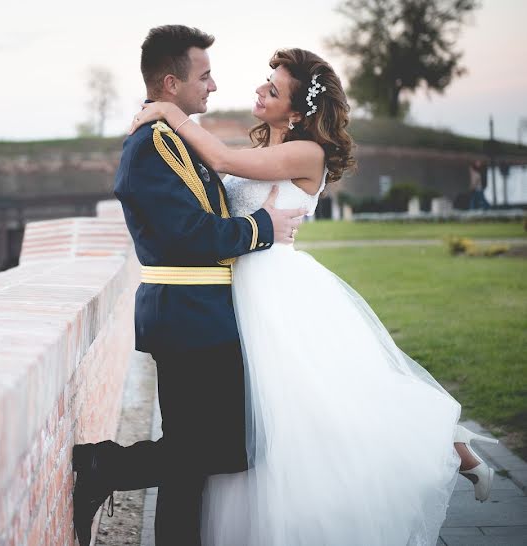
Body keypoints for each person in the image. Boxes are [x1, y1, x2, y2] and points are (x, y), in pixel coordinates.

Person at [130, 47, 498, 545]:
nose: (260, 90)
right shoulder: (266, 149)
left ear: (299, 112)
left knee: (324, 401)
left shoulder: (308, 153)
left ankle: (448, 447)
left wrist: (170, 112)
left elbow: (219, 158)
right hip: (240, 284)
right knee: (279, 411)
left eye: (274, 89)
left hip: (274, 287)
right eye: (266, 81)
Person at [70, 26, 307, 546]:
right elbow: (192, 234)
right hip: (188, 314)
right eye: (205, 76)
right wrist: (264, 227)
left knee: (194, 460)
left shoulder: (172, 137)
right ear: (172, 84)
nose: (215, 85)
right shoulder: (151, 145)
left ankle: (110, 474)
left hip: (199, 313)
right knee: (217, 449)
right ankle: (102, 465)